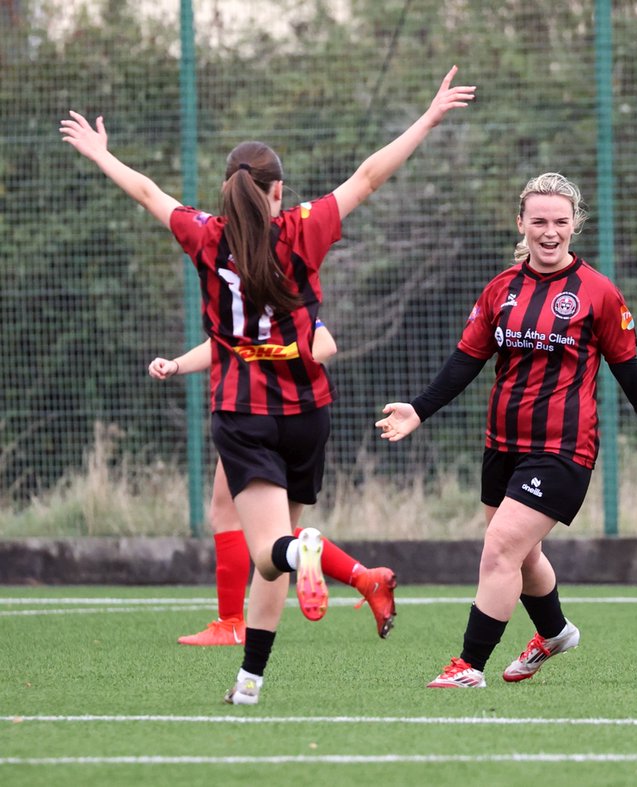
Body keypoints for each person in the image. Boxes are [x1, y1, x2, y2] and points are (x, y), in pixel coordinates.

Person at [61, 66, 474, 704]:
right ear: (276, 192)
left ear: (227, 192)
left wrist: (101, 153)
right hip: (308, 412)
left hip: (243, 413)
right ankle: (250, 683)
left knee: (271, 554)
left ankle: (315, 563)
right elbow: (369, 176)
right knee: (280, 552)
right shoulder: (303, 228)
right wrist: (427, 117)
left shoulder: (206, 235)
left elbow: (147, 193)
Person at [376, 172, 637, 688]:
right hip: (502, 446)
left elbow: (628, 367)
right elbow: (465, 361)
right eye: (538, 220)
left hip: (564, 448)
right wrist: (420, 410)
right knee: (523, 553)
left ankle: (469, 666)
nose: (549, 231)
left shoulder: (597, 292)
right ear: (521, 222)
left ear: (574, 225)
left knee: (498, 549)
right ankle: (555, 632)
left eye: (560, 221)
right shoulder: (502, 289)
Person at [148, 323, 398, 645]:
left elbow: (324, 344)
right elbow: (222, 346)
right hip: (280, 414)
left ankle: (233, 626)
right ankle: (364, 578)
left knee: (241, 520)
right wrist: (177, 364)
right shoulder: (252, 298)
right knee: (259, 524)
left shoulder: (279, 294)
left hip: (256, 415)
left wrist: (271, 369)